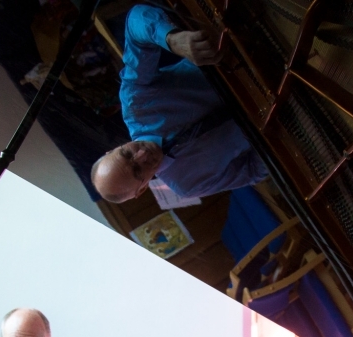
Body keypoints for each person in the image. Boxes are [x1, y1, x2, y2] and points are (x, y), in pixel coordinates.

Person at [91, 4, 268, 203]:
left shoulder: (136, 103)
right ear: (141, 190)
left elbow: (134, 22)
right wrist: (272, 140)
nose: (141, 154)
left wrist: (172, 39)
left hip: (246, 52)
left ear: (115, 149)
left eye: (126, 154)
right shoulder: (188, 185)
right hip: (283, 113)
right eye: (137, 170)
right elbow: (252, 170)